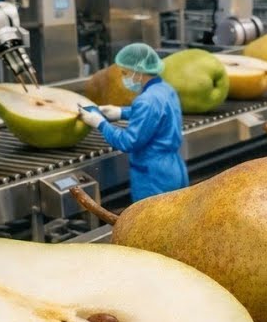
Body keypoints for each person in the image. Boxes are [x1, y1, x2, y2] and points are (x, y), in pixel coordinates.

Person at [79, 43, 189, 202]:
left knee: (150, 224)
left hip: (153, 176)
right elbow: (157, 114)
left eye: (125, 73)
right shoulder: (165, 89)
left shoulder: (146, 100)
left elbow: (128, 142)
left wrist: (100, 123)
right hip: (172, 168)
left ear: (138, 71)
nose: (124, 78)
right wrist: (120, 112)